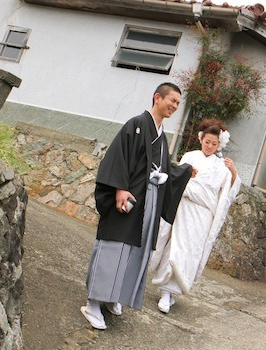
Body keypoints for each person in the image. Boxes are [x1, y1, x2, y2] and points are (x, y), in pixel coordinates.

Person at [81, 82, 193, 330]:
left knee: (135, 251)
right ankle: (93, 303)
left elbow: (162, 168)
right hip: (128, 198)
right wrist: (119, 187)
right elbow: (118, 156)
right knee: (115, 246)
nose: (175, 106)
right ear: (157, 98)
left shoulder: (162, 137)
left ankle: (113, 296)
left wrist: (182, 172)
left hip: (148, 202)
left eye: (177, 102)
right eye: (172, 100)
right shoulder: (136, 124)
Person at [150, 118, 241, 314]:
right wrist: (187, 174)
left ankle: (172, 292)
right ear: (201, 139)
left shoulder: (222, 166)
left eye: (214, 144)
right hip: (184, 206)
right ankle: (166, 291)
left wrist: (233, 172)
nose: (210, 146)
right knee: (176, 246)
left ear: (219, 145)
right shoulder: (190, 156)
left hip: (203, 214)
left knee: (191, 250)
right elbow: (175, 176)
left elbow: (227, 193)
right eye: (207, 141)